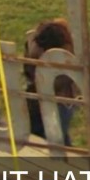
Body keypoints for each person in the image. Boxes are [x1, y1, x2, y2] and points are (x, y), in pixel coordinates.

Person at [24, 18, 79, 146]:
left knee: (56, 139)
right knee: (54, 139)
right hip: (52, 101)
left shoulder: (35, 48)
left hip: (50, 101)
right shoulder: (65, 54)